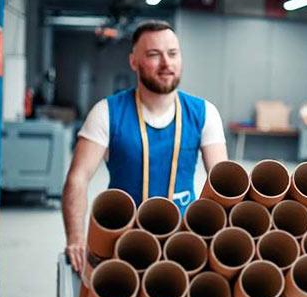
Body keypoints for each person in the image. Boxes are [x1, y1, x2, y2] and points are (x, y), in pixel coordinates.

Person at [62, 20, 228, 272]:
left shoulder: (204, 113)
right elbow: (78, 177)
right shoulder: (107, 112)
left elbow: (224, 185)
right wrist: (76, 238)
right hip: (121, 240)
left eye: (173, 54)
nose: (166, 64)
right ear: (133, 62)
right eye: (154, 55)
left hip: (181, 240)